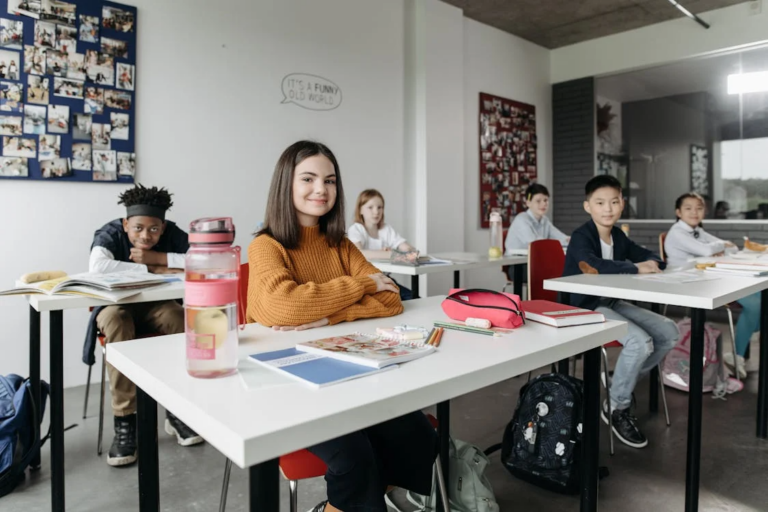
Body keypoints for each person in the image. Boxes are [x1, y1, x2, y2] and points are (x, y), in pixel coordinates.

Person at [247, 141, 438, 512]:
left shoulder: (341, 244)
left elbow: (393, 298)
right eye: (309, 178)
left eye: (330, 180)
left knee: (416, 433)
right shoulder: (266, 245)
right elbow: (283, 306)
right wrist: (362, 285)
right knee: (354, 455)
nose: (322, 189)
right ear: (286, 184)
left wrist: (330, 315)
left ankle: (350, 505)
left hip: (349, 370)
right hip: (290, 382)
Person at [84, 184, 204, 467]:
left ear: (163, 226)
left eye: (153, 229)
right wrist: (155, 269)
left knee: (177, 317)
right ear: (126, 224)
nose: (145, 235)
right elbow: (99, 267)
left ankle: (177, 412)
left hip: (157, 308)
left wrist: (158, 258)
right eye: (137, 228)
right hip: (116, 307)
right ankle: (125, 421)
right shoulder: (109, 233)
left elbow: (202, 261)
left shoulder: (173, 234)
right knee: (116, 321)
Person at [562, 175, 678, 449]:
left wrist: (651, 260)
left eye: (614, 202)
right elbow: (592, 264)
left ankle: (618, 383)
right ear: (587, 206)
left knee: (669, 332)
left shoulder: (618, 236)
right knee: (640, 342)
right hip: (583, 306)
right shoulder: (582, 236)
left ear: (622, 204)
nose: (608, 208)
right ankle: (617, 407)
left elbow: (649, 254)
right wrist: (636, 267)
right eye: (600, 202)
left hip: (609, 302)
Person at [665, 192, 752, 378]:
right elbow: (707, 249)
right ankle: (737, 354)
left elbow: (733, 248)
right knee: (756, 303)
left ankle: (737, 355)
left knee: (758, 298)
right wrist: (716, 249)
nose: (694, 212)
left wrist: (716, 249)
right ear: (678, 212)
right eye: (688, 208)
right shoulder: (678, 232)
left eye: (699, 208)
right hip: (685, 282)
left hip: (705, 277)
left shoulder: (698, 231)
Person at [347, 188, 417, 300]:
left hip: (385, 279)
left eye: (380, 207)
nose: (376, 212)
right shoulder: (356, 229)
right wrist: (392, 254)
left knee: (414, 298)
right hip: (366, 282)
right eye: (370, 207)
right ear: (360, 210)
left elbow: (410, 251)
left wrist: (410, 252)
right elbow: (359, 253)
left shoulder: (386, 229)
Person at [504, 183, 568, 252]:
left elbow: (561, 238)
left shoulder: (544, 220)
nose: (543, 204)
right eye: (538, 201)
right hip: (516, 261)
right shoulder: (521, 220)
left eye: (545, 200)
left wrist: (572, 240)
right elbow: (536, 244)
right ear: (528, 203)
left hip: (535, 259)